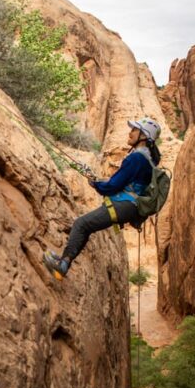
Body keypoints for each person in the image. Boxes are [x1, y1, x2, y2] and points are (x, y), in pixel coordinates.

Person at [43, 117, 162, 280]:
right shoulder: (148, 159)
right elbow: (124, 182)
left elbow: (114, 186)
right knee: (86, 226)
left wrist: (97, 185)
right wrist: (101, 182)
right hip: (130, 207)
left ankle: (62, 265)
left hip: (124, 204)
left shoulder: (136, 158)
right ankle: (64, 260)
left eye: (135, 130)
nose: (130, 132)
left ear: (144, 136)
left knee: (81, 224)